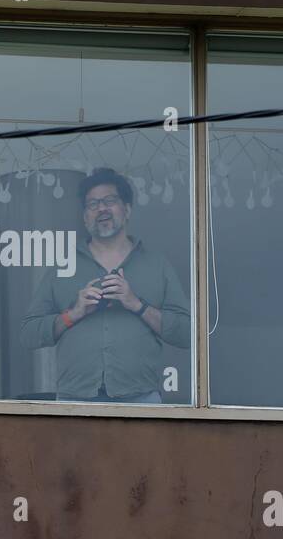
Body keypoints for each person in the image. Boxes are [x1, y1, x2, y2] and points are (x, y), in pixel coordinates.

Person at [20, 168, 190, 403]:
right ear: (85, 217)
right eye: (92, 204)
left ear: (127, 209)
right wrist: (73, 314)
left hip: (140, 398)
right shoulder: (63, 266)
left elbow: (187, 334)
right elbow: (28, 335)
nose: (101, 208)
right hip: (75, 399)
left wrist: (137, 305)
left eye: (110, 200)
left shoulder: (157, 265)